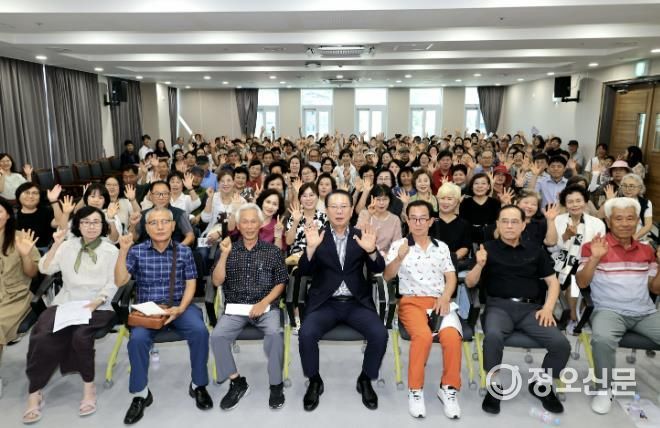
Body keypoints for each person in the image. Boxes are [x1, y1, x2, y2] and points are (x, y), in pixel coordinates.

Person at [465, 205, 569, 415]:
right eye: (504, 221)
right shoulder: (487, 248)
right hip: (498, 307)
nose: (509, 226)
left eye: (514, 222)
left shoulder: (535, 250)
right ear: (498, 224)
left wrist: (548, 308)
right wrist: (479, 265)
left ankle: (542, 384)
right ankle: (494, 387)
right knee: (493, 337)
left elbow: (553, 283)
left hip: (532, 309)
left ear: (523, 225)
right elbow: (469, 282)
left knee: (561, 344)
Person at [115, 207, 212, 425]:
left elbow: (191, 284)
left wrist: (180, 308)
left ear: (173, 225)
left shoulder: (184, 251)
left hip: (179, 306)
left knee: (200, 331)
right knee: (137, 340)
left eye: (164, 222)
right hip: (148, 310)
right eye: (153, 223)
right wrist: (123, 251)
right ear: (146, 228)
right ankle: (141, 394)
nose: (160, 227)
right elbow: (120, 281)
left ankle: (198, 385)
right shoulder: (137, 251)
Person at [23, 207, 118, 423]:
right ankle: (34, 392)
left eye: (96, 222)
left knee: (81, 336)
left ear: (103, 225)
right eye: (85, 222)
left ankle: (88, 387)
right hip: (67, 301)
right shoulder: (67, 246)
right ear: (78, 225)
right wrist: (56, 244)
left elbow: (114, 282)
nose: (91, 226)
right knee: (41, 334)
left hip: (98, 305)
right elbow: (45, 269)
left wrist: (99, 300)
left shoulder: (111, 250)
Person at [297, 190, 388, 411]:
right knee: (306, 333)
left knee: (380, 334)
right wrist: (310, 249)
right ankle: (314, 380)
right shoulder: (317, 235)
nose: (339, 211)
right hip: (325, 303)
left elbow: (378, 268)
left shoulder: (361, 235)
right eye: (334, 207)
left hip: (356, 302)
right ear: (326, 210)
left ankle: (365, 378)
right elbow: (303, 272)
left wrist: (372, 251)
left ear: (351, 210)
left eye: (344, 206)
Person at [576, 197, 660, 414]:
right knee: (602, 339)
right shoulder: (593, 246)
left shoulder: (647, 250)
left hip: (644, 312)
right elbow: (582, 283)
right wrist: (595, 258)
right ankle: (604, 390)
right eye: (619, 219)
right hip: (608, 310)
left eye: (630, 218)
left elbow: (655, 288)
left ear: (637, 221)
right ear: (609, 221)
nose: (625, 223)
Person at [384, 200, 462, 419]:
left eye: (422, 218)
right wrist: (399, 258)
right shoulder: (399, 245)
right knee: (423, 336)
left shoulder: (442, 247)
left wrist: (445, 297)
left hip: (439, 301)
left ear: (430, 221)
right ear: (407, 220)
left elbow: (451, 278)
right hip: (411, 302)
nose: (418, 223)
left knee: (452, 338)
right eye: (413, 218)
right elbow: (387, 276)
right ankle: (415, 390)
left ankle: (448, 388)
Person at [210, 204, 289, 410]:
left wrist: (263, 303)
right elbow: (217, 281)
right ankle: (237, 382)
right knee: (217, 336)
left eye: (253, 221)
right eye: (244, 221)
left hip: (265, 307)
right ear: (238, 225)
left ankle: (276, 384)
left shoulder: (272, 251)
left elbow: (281, 282)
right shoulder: (228, 249)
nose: (249, 226)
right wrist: (224, 255)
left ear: (261, 224)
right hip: (236, 308)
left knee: (275, 334)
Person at [550, 185, 605, 334]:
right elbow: (551, 248)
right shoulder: (557, 220)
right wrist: (566, 236)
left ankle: (573, 315)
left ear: (585, 202)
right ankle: (572, 316)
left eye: (578, 201)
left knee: (574, 279)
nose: (574, 205)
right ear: (565, 204)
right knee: (569, 277)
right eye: (570, 202)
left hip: (585, 262)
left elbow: (599, 250)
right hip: (560, 261)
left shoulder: (597, 223)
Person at [0, 197, 40, 397]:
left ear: (8, 215)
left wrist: (25, 254)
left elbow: (32, 273)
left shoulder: (21, 238)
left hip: (15, 296)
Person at [132, 181, 195, 247]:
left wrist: (178, 248)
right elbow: (134, 238)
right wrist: (133, 225)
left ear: (170, 195)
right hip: (146, 251)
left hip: (173, 250)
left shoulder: (180, 213)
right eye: (157, 194)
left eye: (165, 193)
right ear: (151, 196)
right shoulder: (142, 215)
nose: (161, 197)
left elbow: (190, 236)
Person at [431, 183, 472, 271]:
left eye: (449, 199)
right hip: (431, 264)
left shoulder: (464, 224)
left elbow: (465, 247)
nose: (445, 202)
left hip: (454, 265)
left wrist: (450, 259)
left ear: (457, 201)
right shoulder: (430, 219)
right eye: (442, 198)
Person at [14, 182, 62, 252]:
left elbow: (58, 223)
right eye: (27, 193)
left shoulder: (46, 211)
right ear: (18, 196)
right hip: (20, 250)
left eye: (35, 193)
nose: (31, 196)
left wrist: (54, 200)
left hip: (45, 250)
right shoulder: (12, 215)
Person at [356, 185, 402, 256]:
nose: (381, 203)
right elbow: (356, 235)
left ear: (389, 200)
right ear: (372, 199)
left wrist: (386, 257)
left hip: (385, 258)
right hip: (363, 255)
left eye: (385, 199)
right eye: (378, 199)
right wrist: (369, 215)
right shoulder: (364, 214)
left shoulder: (395, 219)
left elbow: (397, 245)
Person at [459, 173, 500, 246]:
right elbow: (462, 225)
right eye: (476, 183)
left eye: (483, 183)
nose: (479, 186)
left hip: (491, 242)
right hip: (470, 243)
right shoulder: (465, 203)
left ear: (488, 186)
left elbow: (497, 224)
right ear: (472, 187)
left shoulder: (495, 203)